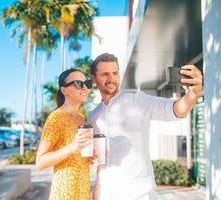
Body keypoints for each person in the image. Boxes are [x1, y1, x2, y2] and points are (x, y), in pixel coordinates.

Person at [87, 53, 203, 200]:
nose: (112, 79)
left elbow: (174, 110)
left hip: (138, 193)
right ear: (93, 78)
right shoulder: (92, 116)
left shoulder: (138, 100)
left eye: (115, 73)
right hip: (106, 193)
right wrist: (96, 193)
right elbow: (99, 161)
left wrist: (193, 94)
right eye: (105, 74)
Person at [36, 68, 94, 200]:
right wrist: (72, 147)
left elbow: (77, 155)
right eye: (79, 83)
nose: (85, 87)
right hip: (64, 194)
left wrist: (89, 156)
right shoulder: (55, 118)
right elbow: (40, 162)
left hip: (83, 193)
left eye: (88, 83)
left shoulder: (81, 118)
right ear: (64, 90)